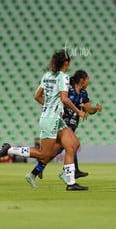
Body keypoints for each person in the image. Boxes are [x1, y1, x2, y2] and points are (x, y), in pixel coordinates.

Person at [0, 49, 88, 191]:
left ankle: (71, 183)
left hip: (54, 118)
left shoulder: (47, 75)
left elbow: (37, 96)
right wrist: (79, 111)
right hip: (51, 120)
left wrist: (49, 106)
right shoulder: (63, 77)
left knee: (73, 144)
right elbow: (64, 98)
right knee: (44, 154)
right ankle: (9, 149)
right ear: (66, 63)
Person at [27, 70, 102, 186]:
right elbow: (60, 100)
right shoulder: (67, 89)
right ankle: (68, 172)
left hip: (71, 125)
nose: (88, 82)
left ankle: (36, 171)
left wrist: (95, 109)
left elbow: (89, 109)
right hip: (61, 123)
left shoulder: (83, 94)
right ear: (82, 80)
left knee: (56, 151)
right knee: (70, 146)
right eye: (88, 79)